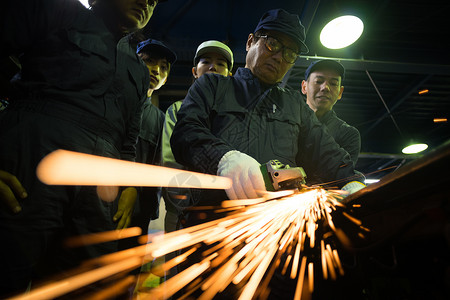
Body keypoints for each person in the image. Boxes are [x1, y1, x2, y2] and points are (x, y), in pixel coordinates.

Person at [0, 0, 159, 296]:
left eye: (154, 1)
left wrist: (129, 186)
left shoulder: (137, 70)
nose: (146, 3)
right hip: (30, 167)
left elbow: (129, 137)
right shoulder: (57, 13)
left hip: (98, 195)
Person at [170, 8, 365, 226]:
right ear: (250, 42)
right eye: (272, 43)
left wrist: (352, 182)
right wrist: (223, 159)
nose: (279, 57)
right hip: (211, 223)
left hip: (274, 228)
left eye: (290, 53)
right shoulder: (213, 86)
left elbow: (326, 150)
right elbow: (185, 132)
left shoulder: (294, 104)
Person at [161, 40, 234, 233]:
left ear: (230, 75)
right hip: (186, 213)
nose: (213, 67)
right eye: (206, 61)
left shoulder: (235, 116)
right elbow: (170, 163)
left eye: (221, 63)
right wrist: (183, 206)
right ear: (194, 71)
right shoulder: (178, 110)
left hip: (228, 214)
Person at [301, 59, 361, 166]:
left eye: (333, 83)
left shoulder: (348, 134)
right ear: (304, 87)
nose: (325, 88)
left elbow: (342, 175)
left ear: (340, 92)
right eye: (319, 81)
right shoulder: (286, 123)